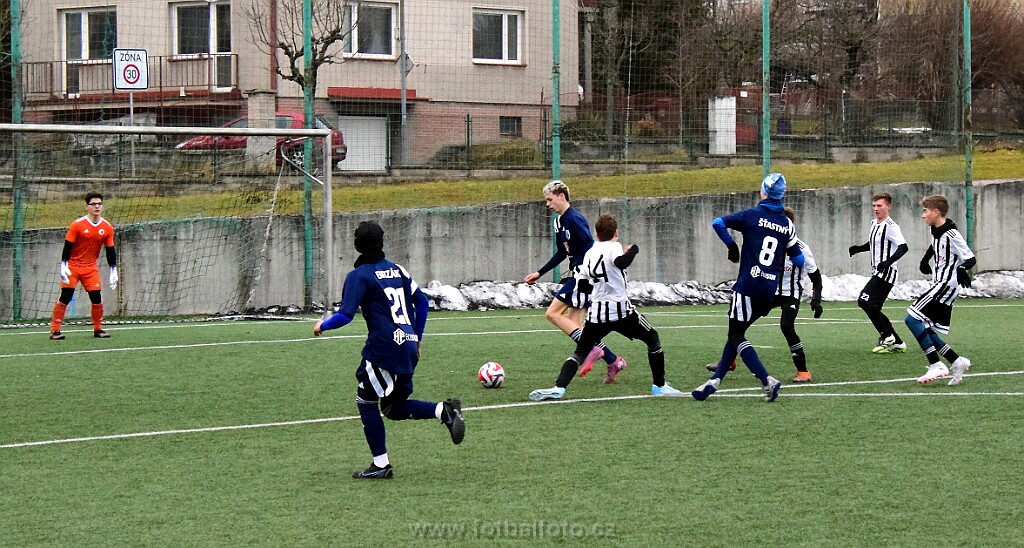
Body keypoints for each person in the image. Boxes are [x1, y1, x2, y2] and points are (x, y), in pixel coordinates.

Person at [313, 220, 464, 479]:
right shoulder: (398, 270)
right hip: (407, 344)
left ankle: (381, 465)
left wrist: (322, 326)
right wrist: (417, 338)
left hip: (383, 348)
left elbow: (345, 315)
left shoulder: (358, 276)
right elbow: (422, 301)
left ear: (357, 245)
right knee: (393, 407)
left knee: (366, 400)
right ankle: (443, 411)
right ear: (381, 243)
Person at [529, 214, 682, 400]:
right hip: (622, 312)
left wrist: (592, 297)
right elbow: (621, 262)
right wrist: (633, 250)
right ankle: (659, 385)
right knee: (653, 339)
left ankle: (559, 387)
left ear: (597, 234)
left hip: (597, 314)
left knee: (579, 353)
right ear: (616, 232)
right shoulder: (614, 247)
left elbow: (583, 285)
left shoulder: (590, 253)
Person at [692, 173, 805, 403]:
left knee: (735, 335)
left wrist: (731, 245)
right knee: (737, 333)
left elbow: (718, 223)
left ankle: (767, 380)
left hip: (748, 286)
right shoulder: (787, 224)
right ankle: (714, 381)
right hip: (769, 290)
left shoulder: (752, 215)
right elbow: (800, 260)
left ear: (763, 191)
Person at [706, 206, 824, 382]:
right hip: (769, 291)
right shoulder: (767, 242)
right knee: (740, 324)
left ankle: (803, 371)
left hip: (790, 294)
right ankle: (728, 361)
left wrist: (816, 299)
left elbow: (816, 275)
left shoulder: (802, 249)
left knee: (787, 326)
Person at [524, 180, 626, 381]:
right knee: (575, 326)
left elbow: (590, 245)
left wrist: (592, 273)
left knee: (552, 313)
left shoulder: (575, 219)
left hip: (583, 275)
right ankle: (614, 361)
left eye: (550, 199)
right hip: (577, 274)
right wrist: (539, 272)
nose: (547, 204)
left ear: (561, 196)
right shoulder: (558, 222)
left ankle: (596, 350)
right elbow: (561, 253)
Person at [905, 195, 975, 386]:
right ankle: (956, 361)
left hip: (945, 285)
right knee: (924, 326)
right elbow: (935, 245)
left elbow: (970, 258)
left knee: (912, 318)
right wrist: (925, 259)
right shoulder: (936, 230)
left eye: (925, 211)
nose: (923, 215)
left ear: (936, 212)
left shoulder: (952, 234)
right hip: (939, 283)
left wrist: (961, 269)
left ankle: (936, 364)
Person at [49, 191, 118, 340]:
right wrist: (64, 265)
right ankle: (55, 331)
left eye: (99, 203)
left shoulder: (107, 227)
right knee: (66, 296)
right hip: (73, 266)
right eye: (93, 204)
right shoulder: (77, 225)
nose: (97, 206)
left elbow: (110, 250)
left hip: (90, 267)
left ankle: (98, 329)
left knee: (96, 297)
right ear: (87, 207)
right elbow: (67, 246)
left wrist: (113, 270)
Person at [849, 192, 909, 353]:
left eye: (879, 206)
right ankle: (897, 342)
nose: (876, 209)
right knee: (874, 308)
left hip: (887, 273)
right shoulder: (874, 223)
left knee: (864, 301)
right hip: (877, 272)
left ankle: (887, 336)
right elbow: (875, 243)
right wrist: (859, 248)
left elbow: (903, 247)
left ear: (888, 206)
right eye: (874, 206)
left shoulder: (891, 226)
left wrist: (887, 262)